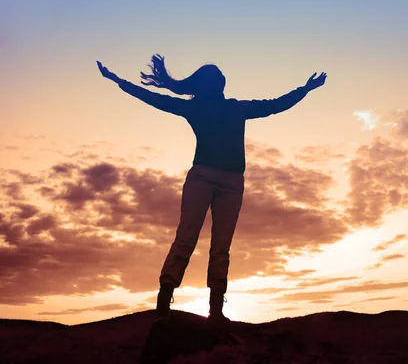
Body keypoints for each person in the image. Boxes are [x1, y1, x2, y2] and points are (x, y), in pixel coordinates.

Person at [96, 55, 327, 325]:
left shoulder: (237, 108)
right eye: (217, 80)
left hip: (232, 183)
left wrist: (305, 89)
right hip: (202, 178)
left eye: (222, 80)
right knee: (186, 238)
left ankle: (215, 311)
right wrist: (117, 81)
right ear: (209, 86)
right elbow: (152, 98)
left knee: (221, 247)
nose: (221, 83)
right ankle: (163, 303)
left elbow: (275, 106)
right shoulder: (196, 109)